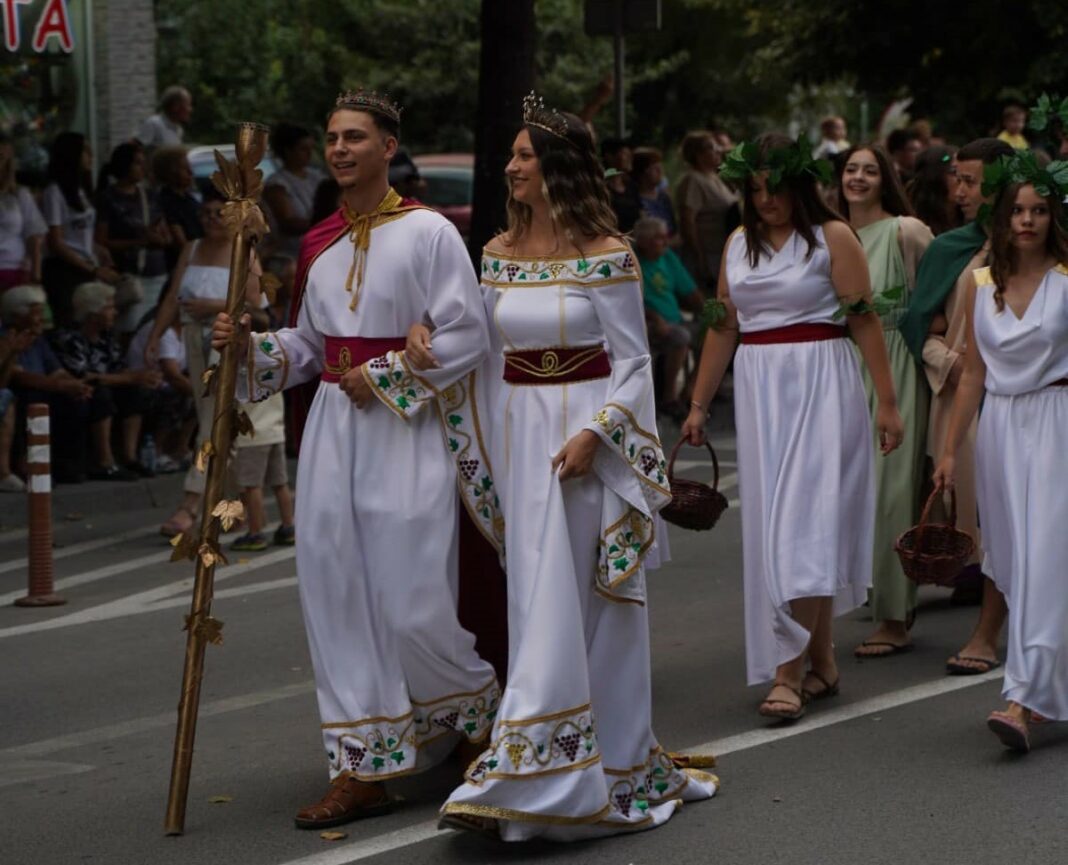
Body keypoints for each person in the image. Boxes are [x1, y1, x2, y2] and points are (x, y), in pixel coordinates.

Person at [408, 94, 718, 841]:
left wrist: (600, 434)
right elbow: (474, 346)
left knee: (588, 600)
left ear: (557, 168)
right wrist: (422, 339)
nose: (510, 167)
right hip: (520, 435)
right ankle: (545, 764)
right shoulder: (496, 255)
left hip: (583, 444)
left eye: (523, 156)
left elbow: (635, 362)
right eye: (512, 155)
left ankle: (584, 768)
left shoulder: (607, 253)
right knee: (538, 597)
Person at [211, 89, 501, 829]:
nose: (339, 148)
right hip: (336, 433)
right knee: (337, 594)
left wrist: (393, 374)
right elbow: (309, 347)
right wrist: (252, 349)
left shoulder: (431, 233)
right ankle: (362, 766)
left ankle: (480, 716)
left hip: (407, 429)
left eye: (355, 137)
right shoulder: (318, 243)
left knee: (411, 595)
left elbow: (469, 333)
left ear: (386, 146)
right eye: (333, 138)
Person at [682, 133, 903, 719]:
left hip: (821, 385)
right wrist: (699, 404)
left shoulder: (833, 237)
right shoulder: (737, 243)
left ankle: (788, 671)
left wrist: (887, 401)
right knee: (784, 528)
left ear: (798, 185)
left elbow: (864, 320)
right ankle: (823, 660)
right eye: (753, 190)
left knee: (800, 529)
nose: (763, 200)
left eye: (773, 188)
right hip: (761, 391)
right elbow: (724, 325)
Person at [933, 158, 1068, 751]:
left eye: (1039, 209)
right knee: (1015, 560)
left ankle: (1020, 699)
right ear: (1003, 216)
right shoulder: (981, 283)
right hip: (1001, 433)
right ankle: (1047, 689)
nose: (1028, 219)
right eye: (1018, 209)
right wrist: (946, 450)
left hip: (1059, 422)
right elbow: (971, 377)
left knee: (1045, 560)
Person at [899, 137, 1015, 671]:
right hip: (966, 397)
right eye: (958, 179)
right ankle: (989, 626)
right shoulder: (950, 249)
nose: (960, 190)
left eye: (972, 180)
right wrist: (949, 362)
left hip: (1029, 395)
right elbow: (920, 326)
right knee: (981, 515)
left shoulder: (1036, 246)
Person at [836, 145, 934, 658]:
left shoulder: (906, 231)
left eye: (869, 170)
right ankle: (878, 594)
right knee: (858, 489)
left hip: (895, 360)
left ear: (885, 179)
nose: (858, 177)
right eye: (851, 169)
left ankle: (896, 617)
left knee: (894, 487)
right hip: (845, 367)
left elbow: (937, 292)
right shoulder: (832, 236)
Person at [147, 189, 263, 536]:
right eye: (206, 214)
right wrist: (155, 336)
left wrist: (214, 307)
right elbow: (173, 297)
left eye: (218, 213)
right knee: (211, 419)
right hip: (193, 341)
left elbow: (257, 305)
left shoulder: (245, 251)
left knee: (214, 421)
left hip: (225, 343)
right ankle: (231, 504)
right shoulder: (192, 248)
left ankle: (190, 503)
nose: (211, 220)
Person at [50, 282, 160, 479]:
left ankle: (130, 458)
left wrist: (137, 377)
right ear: (93, 313)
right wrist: (130, 377)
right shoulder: (68, 338)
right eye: (109, 307)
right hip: (77, 391)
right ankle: (105, 462)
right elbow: (87, 377)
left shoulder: (107, 337)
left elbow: (120, 368)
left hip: (107, 385)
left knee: (138, 392)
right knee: (102, 395)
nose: (115, 312)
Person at [1, 284, 93, 482]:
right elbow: (19, 377)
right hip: (24, 390)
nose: (42, 318)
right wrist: (61, 386)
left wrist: (75, 385)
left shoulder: (38, 338)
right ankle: (28, 465)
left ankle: (67, 465)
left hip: (46, 387)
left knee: (77, 399)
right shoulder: (7, 336)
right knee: (33, 399)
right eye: (36, 313)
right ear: (17, 315)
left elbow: (57, 371)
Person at [41, 132, 119, 329]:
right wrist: (91, 268)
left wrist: (99, 251)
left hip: (87, 263)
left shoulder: (81, 191)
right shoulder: (54, 192)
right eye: (85, 151)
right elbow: (57, 241)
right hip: (66, 269)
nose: (90, 156)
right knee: (70, 321)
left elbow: (83, 233)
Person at [95, 142, 172, 334]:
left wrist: (159, 238)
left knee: (153, 326)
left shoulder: (149, 196)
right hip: (128, 272)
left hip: (156, 270)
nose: (143, 168)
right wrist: (139, 242)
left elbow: (166, 234)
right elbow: (101, 240)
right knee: (128, 327)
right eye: (137, 163)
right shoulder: (108, 198)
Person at [632, 216, 703, 415]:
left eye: (666, 237)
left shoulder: (667, 257)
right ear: (644, 241)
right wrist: (654, 318)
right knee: (681, 337)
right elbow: (629, 302)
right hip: (649, 323)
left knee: (715, 335)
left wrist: (710, 313)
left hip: (676, 320)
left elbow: (690, 291)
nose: (665, 242)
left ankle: (691, 393)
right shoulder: (633, 262)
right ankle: (669, 398)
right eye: (659, 238)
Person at [125, 310, 194, 474]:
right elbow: (172, 374)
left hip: (164, 382)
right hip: (141, 383)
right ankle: (156, 451)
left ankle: (181, 449)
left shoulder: (187, 330)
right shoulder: (163, 331)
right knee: (181, 394)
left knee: (201, 394)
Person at [229, 388, 295, 551]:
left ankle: (255, 532)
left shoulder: (241, 366)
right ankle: (288, 527)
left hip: (252, 434)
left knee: (252, 486)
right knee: (280, 483)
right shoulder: (276, 362)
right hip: (275, 429)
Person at [676, 130, 739, 289]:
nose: (718, 150)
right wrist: (700, 258)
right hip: (708, 256)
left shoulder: (716, 177)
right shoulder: (693, 180)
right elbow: (687, 221)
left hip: (722, 252)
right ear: (698, 154)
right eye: (712, 147)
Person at [263, 122, 326, 258]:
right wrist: (326, 223)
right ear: (288, 151)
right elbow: (288, 223)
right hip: (294, 255)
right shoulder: (277, 184)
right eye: (303, 149)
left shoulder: (317, 176)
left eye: (311, 148)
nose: (309, 154)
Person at [0, 133, 46, 291]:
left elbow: (34, 236)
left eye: (2, 158)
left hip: (14, 268)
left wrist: (35, 274)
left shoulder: (20, 194)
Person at [153, 146, 203, 268]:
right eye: (184, 168)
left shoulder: (189, 198)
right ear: (170, 172)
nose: (190, 172)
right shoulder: (166, 201)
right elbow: (180, 242)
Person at [907, 145, 961, 237]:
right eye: (954, 172)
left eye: (966, 175)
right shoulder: (911, 227)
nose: (961, 179)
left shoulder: (974, 222)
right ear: (934, 178)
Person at [631, 147, 677, 235]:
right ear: (641, 172)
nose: (660, 170)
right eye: (654, 167)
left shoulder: (664, 197)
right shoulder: (635, 201)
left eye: (660, 166)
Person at [601, 137, 642, 232]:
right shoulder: (600, 188)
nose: (630, 158)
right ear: (609, 157)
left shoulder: (632, 187)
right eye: (625, 154)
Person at [136, 86, 193, 150]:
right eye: (188, 104)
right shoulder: (153, 124)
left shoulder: (179, 129)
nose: (190, 109)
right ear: (175, 106)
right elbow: (135, 149)